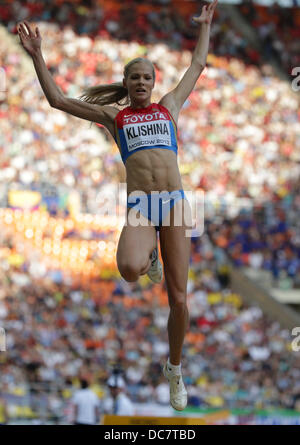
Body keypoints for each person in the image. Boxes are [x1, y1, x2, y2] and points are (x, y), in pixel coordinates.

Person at [17, 0, 218, 411]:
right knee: (129, 270)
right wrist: (38, 56)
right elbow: (57, 99)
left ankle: (175, 368)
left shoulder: (170, 107)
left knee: (180, 300)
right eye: (135, 77)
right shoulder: (114, 117)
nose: (142, 82)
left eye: (147, 77)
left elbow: (197, 65)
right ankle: (149, 259)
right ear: (126, 83)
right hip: (142, 206)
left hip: (176, 205)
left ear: (153, 81)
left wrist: (204, 26)